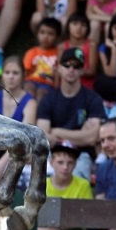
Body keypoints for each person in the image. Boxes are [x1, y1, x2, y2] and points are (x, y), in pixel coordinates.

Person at [37, 47, 106, 180]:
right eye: (67, 65)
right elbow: (42, 138)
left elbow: (92, 138)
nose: (71, 69)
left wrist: (56, 132)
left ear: (81, 71)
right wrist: (79, 136)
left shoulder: (93, 99)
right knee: (43, 179)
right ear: (59, 68)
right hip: (53, 154)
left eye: (76, 66)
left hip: (82, 155)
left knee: (77, 176)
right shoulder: (48, 100)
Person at [23, 17, 61, 102]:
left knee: (42, 93)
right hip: (31, 80)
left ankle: (39, 114)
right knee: (29, 89)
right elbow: (25, 71)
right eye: (42, 32)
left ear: (57, 37)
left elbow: (59, 73)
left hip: (48, 84)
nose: (45, 37)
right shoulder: (32, 52)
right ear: (37, 34)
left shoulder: (58, 53)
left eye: (50, 34)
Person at [59, 13, 97, 89]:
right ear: (68, 26)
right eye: (75, 24)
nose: (79, 28)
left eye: (83, 25)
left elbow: (92, 71)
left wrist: (73, 72)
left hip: (85, 85)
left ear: (88, 28)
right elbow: (59, 69)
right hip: (65, 84)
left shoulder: (91, 45)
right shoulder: (62, 46)